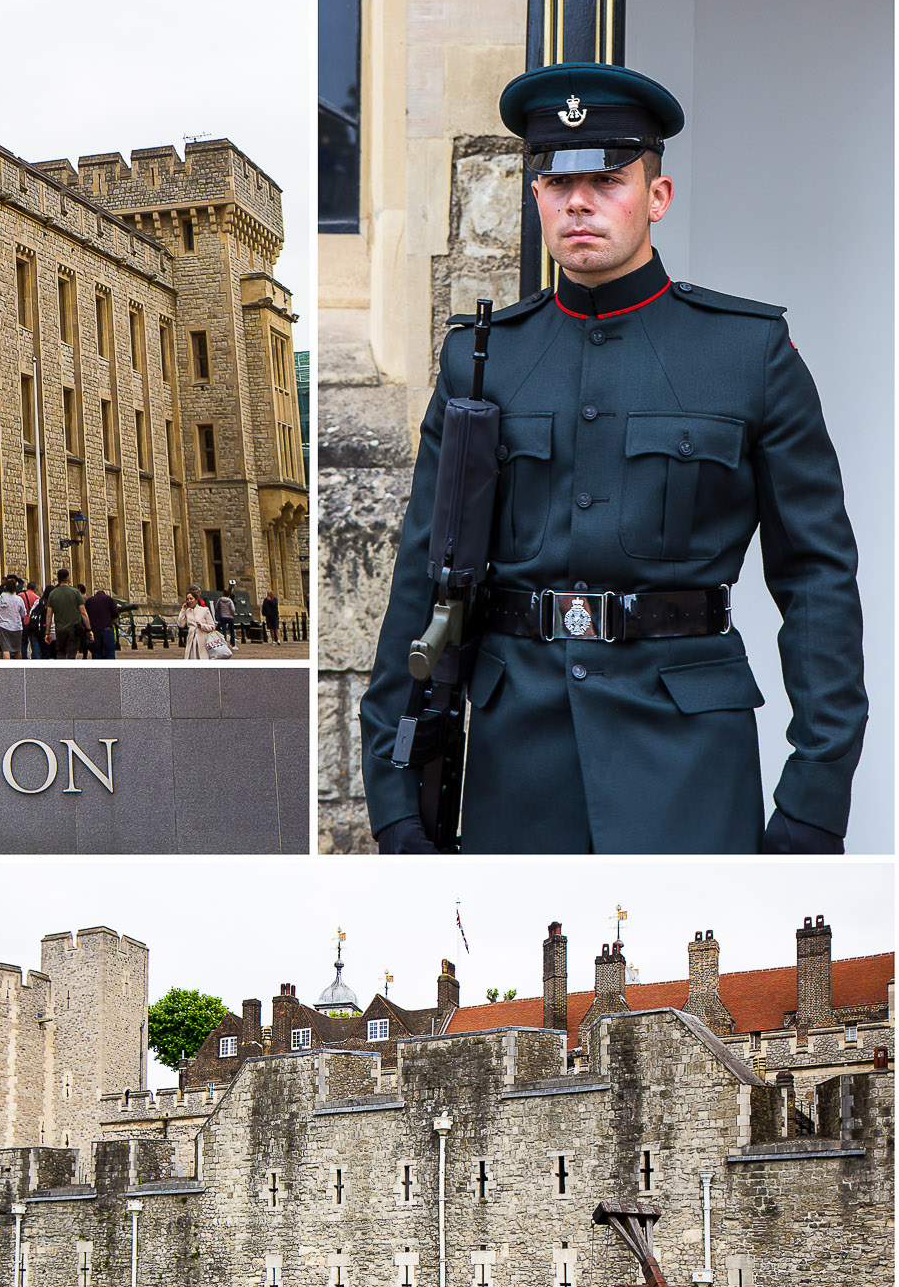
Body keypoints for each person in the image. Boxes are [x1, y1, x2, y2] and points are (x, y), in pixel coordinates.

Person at [360, 61, 866, 857]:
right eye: (556, 184)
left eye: (607, 178)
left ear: (655, 197)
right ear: (535, 199)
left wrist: (814, 796)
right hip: (516, 761)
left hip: (687, 757)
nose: (579, 202)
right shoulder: (480, 360)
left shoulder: (747, 352)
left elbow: (816, 580)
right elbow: (424, 578)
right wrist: (393, 802)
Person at [44, 569, 87, 661]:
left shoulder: (53, 594)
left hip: (60, 629)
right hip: (74, 629)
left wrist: (47, 632)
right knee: (72, 654)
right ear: (68, 578)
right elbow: (83, 612)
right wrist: (89, 629)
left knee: (60, 653)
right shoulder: (76, 593)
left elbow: (49, 615)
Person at [84, 583, 121, 660]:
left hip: (95, 631)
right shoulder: (108, 599)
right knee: (110, 655)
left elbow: (85, 615)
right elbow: (115, 613)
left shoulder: (89, 601)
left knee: (97, 655)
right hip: (107, 630)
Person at [177, 589, 216, 661]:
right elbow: (180, 624)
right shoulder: (187, 611)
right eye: (187, 599)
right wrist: (182, 611)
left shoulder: (204, 610)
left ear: (196, 600)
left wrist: (201, 626)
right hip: (191, 638)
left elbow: (212, 626)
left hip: (202, 639)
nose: (189, 601)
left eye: (191, 598)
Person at [0, 577, 27, 659]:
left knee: (6, 649)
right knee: (17, 650)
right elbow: (23, 613)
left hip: (4, 626)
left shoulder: (0, 599)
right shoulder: (19, 599)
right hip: (16, 627)